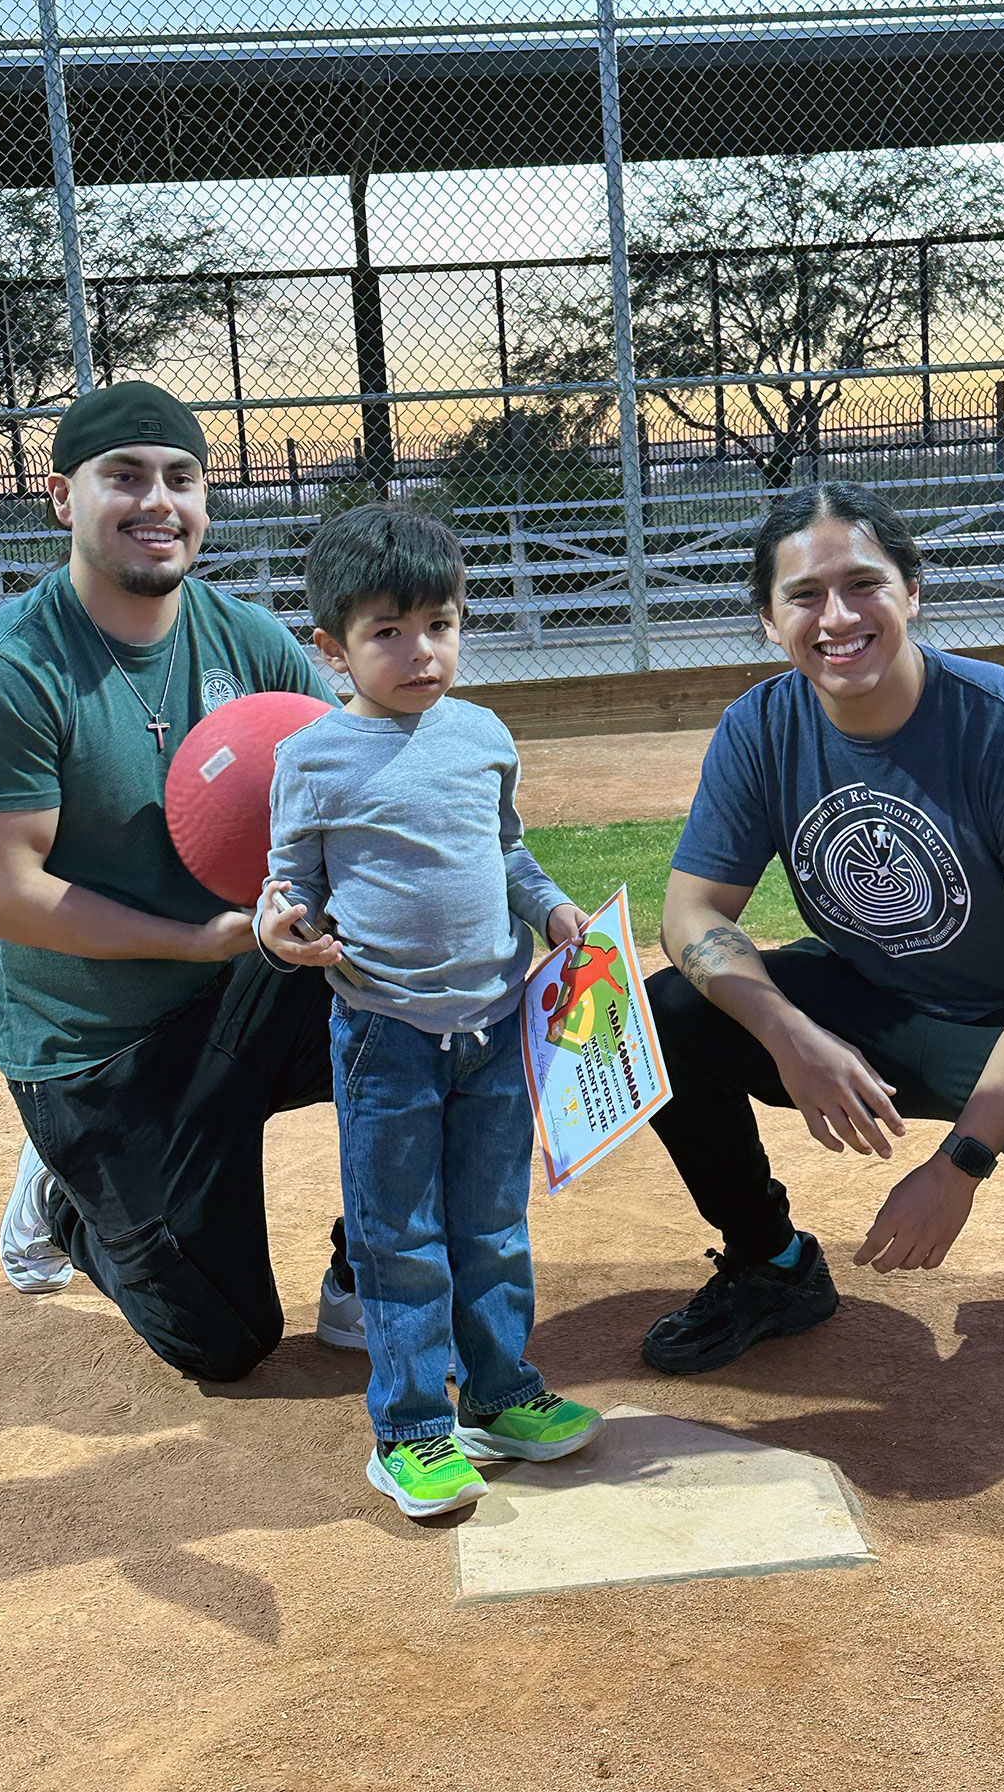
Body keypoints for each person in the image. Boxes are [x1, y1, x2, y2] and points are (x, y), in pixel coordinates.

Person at [641, 482, 1004, 1376]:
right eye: (804, 596)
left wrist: (958, 1166)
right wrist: (789, 1036)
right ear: (766, 619)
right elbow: (691, 913)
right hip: (874, 1003)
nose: (836, 617)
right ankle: (773, 1265)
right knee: (667, 1013)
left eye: (864, 584)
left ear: (912, 592)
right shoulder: (760, 727)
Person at [0, 380, 363, 1381]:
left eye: (182, 479)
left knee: (444, 988)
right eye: (123, 477)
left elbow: (353, 783)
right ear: (60, 495)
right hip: (99, 1051)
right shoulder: (5, 671)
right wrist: (203, 938)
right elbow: (6, 896)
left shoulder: (245, 638)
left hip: (237, 988)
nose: (157, 501)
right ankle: (68, 1194)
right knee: (225, 1343)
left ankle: (369, 1262)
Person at [256, 503, 604, 1517]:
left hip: (493, 1029)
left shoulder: (484, 735)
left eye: (441, 625)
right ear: (332, 649)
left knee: (493, 1223)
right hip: (386, 1037)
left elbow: (505, 852)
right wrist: (283, 930)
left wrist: (549, 907)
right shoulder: (313, 760)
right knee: (397, 1238)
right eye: (388, 632)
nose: (423, 652)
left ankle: (499, 1394)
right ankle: (410, 1430)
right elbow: (290, 885)